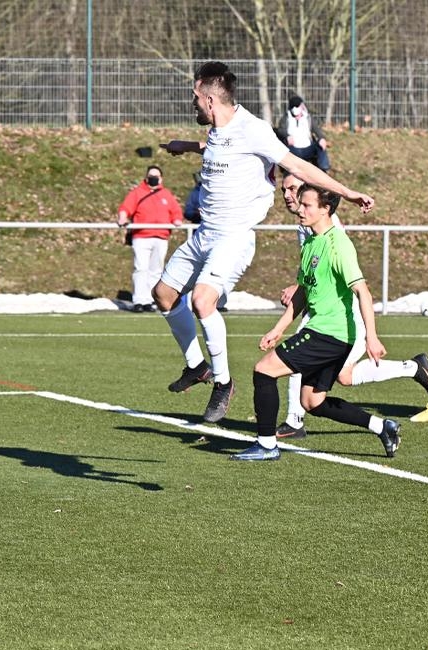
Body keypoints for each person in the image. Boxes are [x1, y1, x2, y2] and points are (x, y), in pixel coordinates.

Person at [157, 61, 374, 424]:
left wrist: (348, 193)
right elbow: (220, 148)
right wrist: (188, 146)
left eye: (195, 96)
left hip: (233, 236)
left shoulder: (253, 129)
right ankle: (196, 366)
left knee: (202, 300)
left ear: (209, 99)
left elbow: (300, 167)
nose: (192, 103)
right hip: (205, 233)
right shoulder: (218, 131)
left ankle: (223, 383)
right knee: (163, 294)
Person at [230, 184, 400, 461]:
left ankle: (266, 445)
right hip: (330, 335)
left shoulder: (338, 245)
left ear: (325, 209)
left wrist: (372, 336)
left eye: (307, 205)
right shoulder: (310, 242)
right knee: (312, 402)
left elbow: (363, 292)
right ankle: (383, 427)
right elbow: (302, 293)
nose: (299, 209)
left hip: (329, 333)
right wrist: (278, 329)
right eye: (300, 203)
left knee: (264, 371)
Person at [274, 170, 428, 438]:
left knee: (297, 358)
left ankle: (294, 420)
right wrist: (301, 286)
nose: (287, 195)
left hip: (341, 313)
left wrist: (371, 335)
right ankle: (413, 368)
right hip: (322, 311)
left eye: (293, 189)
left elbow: (349, 279)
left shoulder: (328, 228)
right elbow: (313, 269)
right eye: (284, 190)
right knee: (345, 376)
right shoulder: (306, 224)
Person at [117, 165, 183, 312]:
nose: (153, 179)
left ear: (161, 178)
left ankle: (152, 300)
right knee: (141, 268)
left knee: (156, 270)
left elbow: (176, 211)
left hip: (161, 237)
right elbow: (125, 208)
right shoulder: (137, 193)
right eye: (151, 176)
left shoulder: (166, 194)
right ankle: (139, 300)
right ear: (146, 178)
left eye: (156, 176)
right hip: (142, 236)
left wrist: (177, 219)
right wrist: (122, 217)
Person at [278, 95, 330, 172]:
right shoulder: (286, 118)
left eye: (298, 106)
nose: (296, 109)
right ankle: (287, 169)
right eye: (294, 107)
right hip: (293, 149)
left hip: (308, 148)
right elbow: (281, 130)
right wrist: (287, 136)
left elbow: (317, 130)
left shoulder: (308, 118)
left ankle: (324, 168)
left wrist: (321, 138)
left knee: (320, 146)